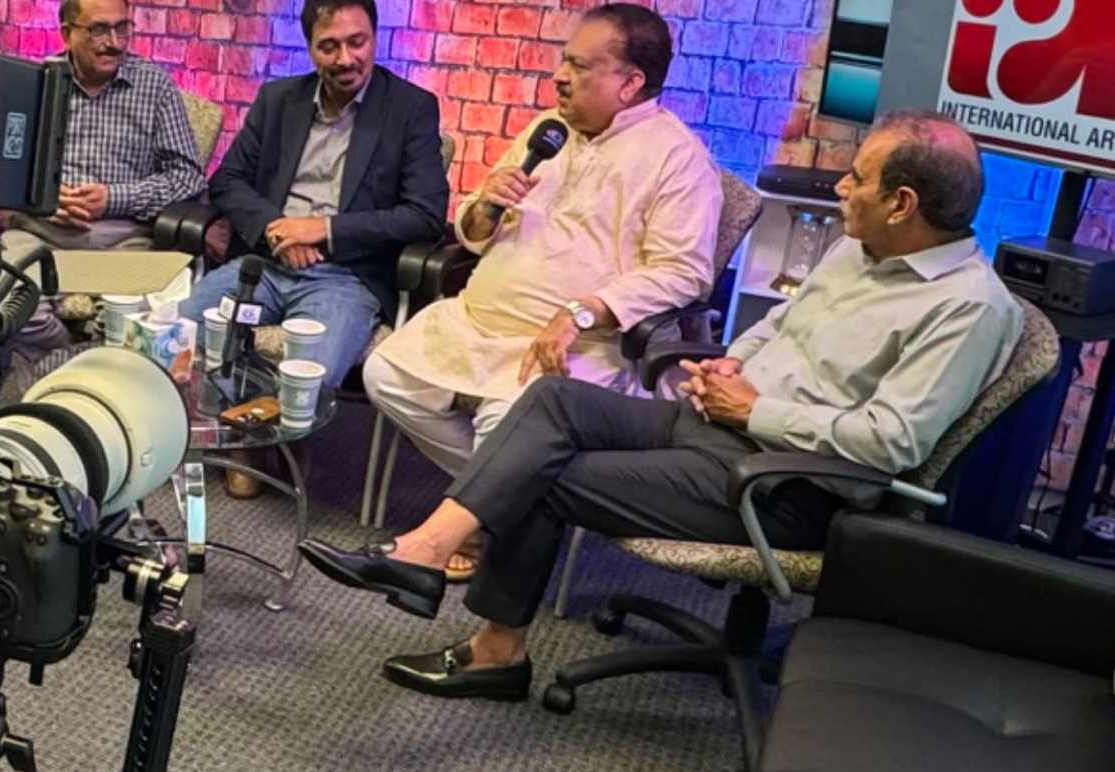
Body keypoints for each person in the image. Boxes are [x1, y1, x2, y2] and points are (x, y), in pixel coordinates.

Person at [303, 113, 1025, 700]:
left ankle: (494, 651)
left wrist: (754, 412)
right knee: (554, 404)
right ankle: (427, 552)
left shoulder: (967, 308)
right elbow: (783, 324)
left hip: (787, 483)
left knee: (541, 474)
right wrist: (730, 365)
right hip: (719, 423)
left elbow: (891, 443)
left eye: (858, 178)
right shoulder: (859, 249)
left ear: (904, 204)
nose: (840, 187)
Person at [361, 2, 728, 480]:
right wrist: (485, 208)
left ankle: (483, 515)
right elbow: (473, 235)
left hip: (573, 348)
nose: (559, 76)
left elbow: (684, 272)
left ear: (630, 83)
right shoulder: (547, 130)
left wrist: (580, 311)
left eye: (579, 66)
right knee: (385, 375)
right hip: (475, 323)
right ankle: (502, 497)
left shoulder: (677, 159)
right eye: (564, 60)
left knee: (505, 423)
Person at [176, 0, 447, 401]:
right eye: (329, 46)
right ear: (309, 48)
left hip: (347, 278)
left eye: (357, 42)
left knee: (304, 385)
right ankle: (234, 453)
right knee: (179, 342)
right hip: (266, 265)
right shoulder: (279, 99)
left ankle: (265, 459)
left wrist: (322, 228)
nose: (346, 59)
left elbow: (425, 213)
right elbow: (227, 180)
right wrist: (276, 228)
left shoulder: (411, 109)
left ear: (375, 37)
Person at [18, 0, 203, 252]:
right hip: (42, 232)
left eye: (122, 28)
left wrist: (115, 198)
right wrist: (42, 199)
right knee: (11, 292)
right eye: (99, 30)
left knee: (135, 295)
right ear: (68, 34)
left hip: (124, 238)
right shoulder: (36, 83)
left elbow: (188, 178)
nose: (115, 42)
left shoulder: (154, 85)